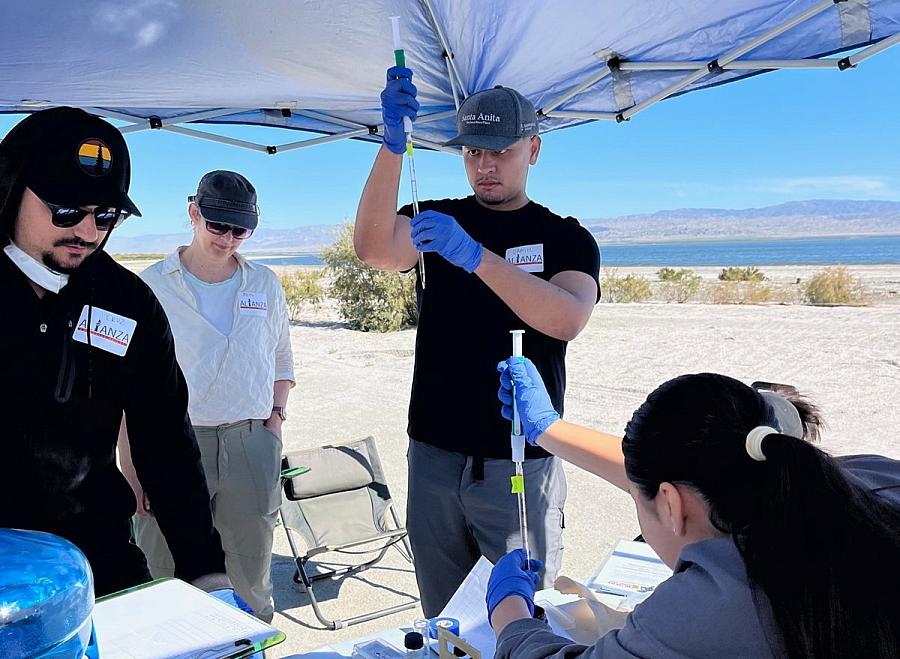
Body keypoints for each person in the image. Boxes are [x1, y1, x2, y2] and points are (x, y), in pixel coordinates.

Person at [354, 67, 601, 616]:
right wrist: (391, 146)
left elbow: (565, 317)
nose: (484, 166)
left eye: (501, 151)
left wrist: (475, 258)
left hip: (518, 461)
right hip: (434, 456)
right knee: (445, 620)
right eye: (472, 153)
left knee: (523, 618)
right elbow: (373, 248)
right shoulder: (438, 217)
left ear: (533, 150)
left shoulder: (565, 237)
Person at [488, 360, 900, 658]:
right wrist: (549, 431)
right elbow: (689, 475)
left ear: (670, 502)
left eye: (638, 499)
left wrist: (510, 614)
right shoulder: (866, 477)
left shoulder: (710, 606)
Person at [0, 107, 237, 601]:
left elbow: (167, 442)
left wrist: (206, 572)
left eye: (106, 215)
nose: (88, 233)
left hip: (98, 565)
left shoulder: (126, 302)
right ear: (10, 188)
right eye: (67, 211)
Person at [118, 170, 295, 622]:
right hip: (168, 445)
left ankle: (250, 648)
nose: (229, 239)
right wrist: (131, 467)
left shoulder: (265, 284)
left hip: (250, 444)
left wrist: (273, 424)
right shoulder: (148, 286)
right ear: (194, 213)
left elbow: (281, 359)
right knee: (163, 571)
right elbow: (124, 386)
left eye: (241, 230)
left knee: (250, 575)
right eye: (218, 225)